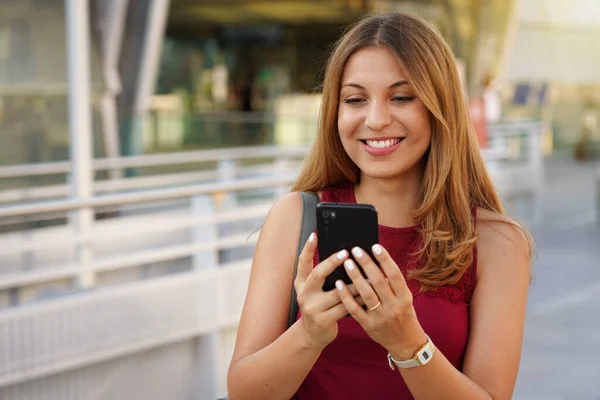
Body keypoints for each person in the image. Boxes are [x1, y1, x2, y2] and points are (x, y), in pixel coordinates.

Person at [227, 12, 532, 400]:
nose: (375, 119)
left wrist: (407, 343)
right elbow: (244, 392)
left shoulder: (497, 242)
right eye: (355, 99)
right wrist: (309, 334)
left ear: (441, 107)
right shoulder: (294, 218)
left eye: (401, 97)